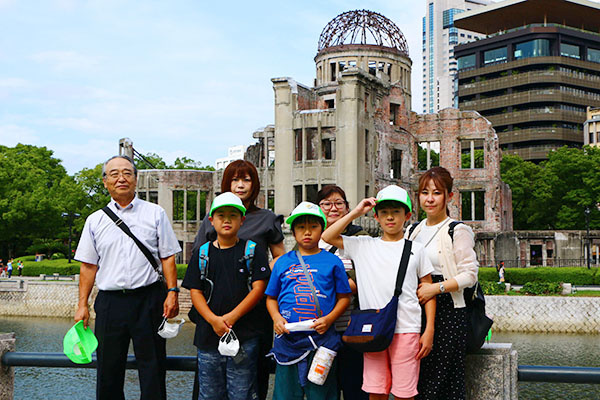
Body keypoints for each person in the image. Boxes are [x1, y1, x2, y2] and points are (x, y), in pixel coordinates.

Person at [74, 155, 181, 400]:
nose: (121, 178)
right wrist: (82, 305)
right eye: (114, 174)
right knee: (108, 373)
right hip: (110, 302)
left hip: (149, 299)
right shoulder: (95, 220)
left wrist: (172, 292)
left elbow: (167, 257)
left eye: (127, 173)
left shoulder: (155, 213)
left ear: (135, 179)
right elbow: (88, 267)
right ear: (105, 182)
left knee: (152, 369)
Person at [322, 185, 436, 400]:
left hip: (407, 328)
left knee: (405, 394)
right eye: (384, 212)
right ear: (376, 216)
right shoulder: (363, 245)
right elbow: (328, 236)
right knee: (376, 392)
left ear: (407, 215)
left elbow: (427, 292)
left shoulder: (416, 249)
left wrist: (428, 330)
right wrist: (356, 211)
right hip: (371, 329)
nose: (390, 218)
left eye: (396, 212)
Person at [192, 160, 285, 400]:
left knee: (249, 382)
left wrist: (261, 270)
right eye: (235, 180)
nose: (240, 185)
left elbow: (280, 258)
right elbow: (197, 270)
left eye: (246, 179)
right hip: (213, 313)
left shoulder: (266, 218)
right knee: (209, 384)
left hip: (252, 310)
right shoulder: (210, 220)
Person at [182, 192, 270, 400]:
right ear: (212, 221)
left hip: (245, 335)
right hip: (208, 336)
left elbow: (259, 289)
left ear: (242, 220)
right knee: (210, 393)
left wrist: (231, 318)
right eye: (221, 216)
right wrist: (213, 320)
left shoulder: (252, 251)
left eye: (233, 215)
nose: (227, 220)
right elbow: (195, 291)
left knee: (242, 391)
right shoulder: (202, 254)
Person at [266, 202, 351, 399]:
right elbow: (271, 298)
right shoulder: (283, 262)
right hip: (288, 340)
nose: (307, 232)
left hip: (322, 341)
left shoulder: (333, 262)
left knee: (322, 394)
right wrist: (276, 318)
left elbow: (344, 298)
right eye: (301, 227)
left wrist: (329, 319)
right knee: (286, 394)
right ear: (293, 232)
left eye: (313, 227)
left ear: (322, 229)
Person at [407, 167, 479, 400]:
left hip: (449, 312)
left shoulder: (457, 230)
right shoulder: (412, 230)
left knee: (443, 383)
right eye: (424, 192)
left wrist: (435, 289)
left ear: (449, 196)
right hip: (415, 310)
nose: (429, 199)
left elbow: (470, 274)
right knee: (417, 382)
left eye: (436, 193)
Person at [316, 185, 369, 400]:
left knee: (354, 385)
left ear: (347, 208)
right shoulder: (309, 236)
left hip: (351, 326)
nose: (333, 208)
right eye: (326, 204)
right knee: (323, 387)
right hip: (320, 329)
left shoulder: (358, 237)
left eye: (339, 203)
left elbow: (364, 277)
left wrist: (328, 287)